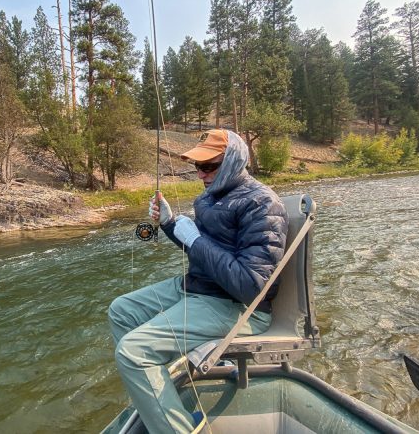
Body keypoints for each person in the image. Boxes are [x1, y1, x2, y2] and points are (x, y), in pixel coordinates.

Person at [108, 129, 289, 433]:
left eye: (209, 166)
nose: (201, 174)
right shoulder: (210, 198)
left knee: (132, 352)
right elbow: (204, 252)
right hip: (202, 288)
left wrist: (195, 240)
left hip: (239, 305)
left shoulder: (263, 204)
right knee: (121, 310)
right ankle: (157, 398)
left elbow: (251, 286)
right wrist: (168, 225)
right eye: (197, 167)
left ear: (233, 161)